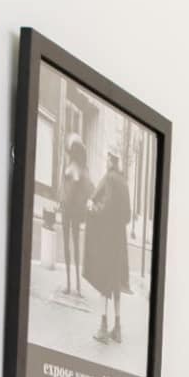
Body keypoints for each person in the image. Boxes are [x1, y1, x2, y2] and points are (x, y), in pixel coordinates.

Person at [79, 142, 135, 347]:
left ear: (111, 159)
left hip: (107, 238)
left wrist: (93, 209)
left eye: (107, 158)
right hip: (119, 241)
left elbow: (106, 206)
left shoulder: (109, 178)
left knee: (104, 281)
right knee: (115, 282)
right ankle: (117, 329)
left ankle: (103, 328)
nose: (106, 161)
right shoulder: (124, 182)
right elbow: (128, 215)